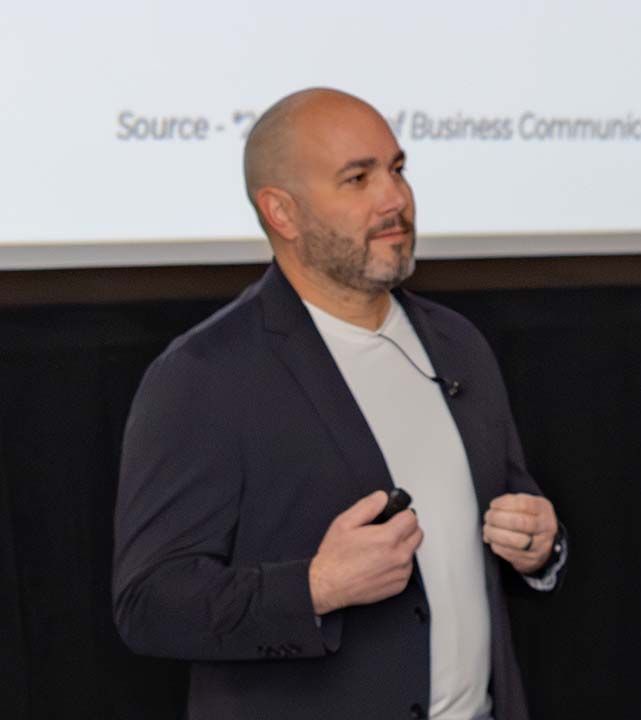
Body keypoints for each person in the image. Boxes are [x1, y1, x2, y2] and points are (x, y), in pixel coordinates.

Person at [112, 88, 565, 720]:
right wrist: (316, 587)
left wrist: (541, 546)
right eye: (357, 178)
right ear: (282, 212)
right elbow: (149, 605)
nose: (395, 199)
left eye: (397, 169)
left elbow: (514, 510)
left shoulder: (457, 343)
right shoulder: (204, 376)